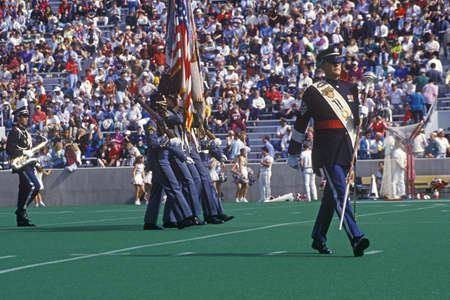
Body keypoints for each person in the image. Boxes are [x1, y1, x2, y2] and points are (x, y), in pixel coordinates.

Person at [287, 47, 370, 256]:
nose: (337, 65)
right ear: (322, 65)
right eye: (332, 62)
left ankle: (318, 237)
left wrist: (365, 114)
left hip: (345, 149)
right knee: (341, 191)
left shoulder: (351, 89)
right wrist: (293, 152)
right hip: (326, 150)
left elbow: (357, 123)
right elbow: (301, 123)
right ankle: (356, 238)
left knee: (332, 197)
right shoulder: (314, 91)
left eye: (339, 62)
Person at [6, 107, 41, 226]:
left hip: (28, 164)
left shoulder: (26, 132)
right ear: (18, 118)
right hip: (21, 164)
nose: (27, 118)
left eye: (27, 116)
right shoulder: (15, 131)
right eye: (24, 116)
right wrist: (23, 153)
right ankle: (21, 210)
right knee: (34, 186)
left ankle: (21, 219)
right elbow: (9, 149)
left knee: (24, 189)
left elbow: (29, 149)